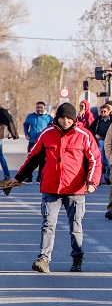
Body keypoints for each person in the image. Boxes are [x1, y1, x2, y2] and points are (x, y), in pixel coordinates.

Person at [8, 102, 101, 273]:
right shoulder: (47, 134)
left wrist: (92, 182)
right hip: (51, 188)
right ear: (57, 118)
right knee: (48, 224)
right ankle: (44, 259)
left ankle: (77, 258)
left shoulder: (84, 135)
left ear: (74, 119)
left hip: (75, 189)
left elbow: (94, 160)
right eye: (62, 118)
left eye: (69, 118)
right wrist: (18, 178)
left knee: (75, 226)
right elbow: (33, 158)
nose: (65, 121)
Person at [23, 102, 52, 183]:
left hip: (43, 143)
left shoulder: (48, 118)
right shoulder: (31, 116)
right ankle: (29, 178)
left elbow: (52, 129)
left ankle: (40, 178)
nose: (39, 109)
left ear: (44, 108)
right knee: (30, 160)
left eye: (41, 107)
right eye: (38, 107)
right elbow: (25, 125)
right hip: (32, 141)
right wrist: (26, 134)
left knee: (43, 161)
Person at [89, 103, 112, 184]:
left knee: (109, 162)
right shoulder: (98, 120)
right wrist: (95, 134)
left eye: (104, 111)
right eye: (101, 112)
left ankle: (108, 177)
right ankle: (99, 179)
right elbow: (90, 129)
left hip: (110, 142)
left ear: (108, 112)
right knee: (100, 160)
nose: (103, 113)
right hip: (101, 141)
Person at [0, 104, 19, 180]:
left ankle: (7, 175)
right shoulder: (2, 111)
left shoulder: (2, 111)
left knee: (0, 156)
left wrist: (14, 134)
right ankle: (7, 175)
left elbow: (10, 122)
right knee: (0, 157)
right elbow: (10, 121)